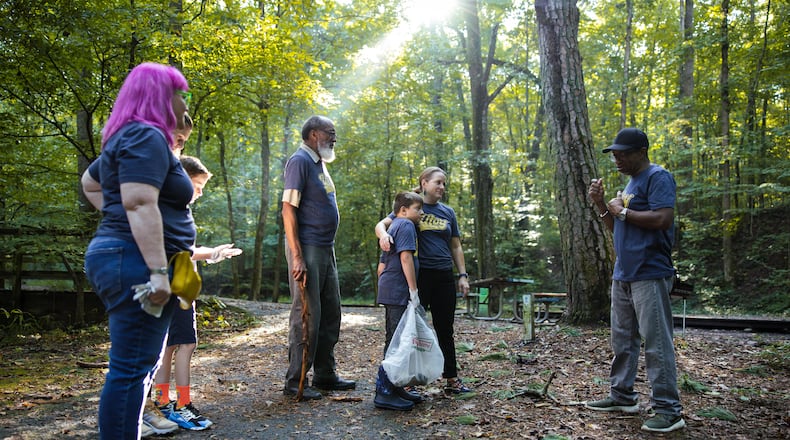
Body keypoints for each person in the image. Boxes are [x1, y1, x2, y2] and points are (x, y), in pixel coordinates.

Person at [81, 62, 193, 439]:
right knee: (131, 370)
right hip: (136, 261)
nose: (183, 101)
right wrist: (159, 272)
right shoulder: (145, 136)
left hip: (124, 254)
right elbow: (139, 203)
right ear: (162, 97)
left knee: (138, 367)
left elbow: (91, 184)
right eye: (179, 93)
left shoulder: (130, 136)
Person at [586, 128, 685, 433]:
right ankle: (622, 395)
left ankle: (669, 411)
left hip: (650, 272)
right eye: (614, 153)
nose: (616, 158)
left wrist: (624, 212)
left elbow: (662, 219)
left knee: (656, 343)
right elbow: (618, 230)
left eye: (622, 153)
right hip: (624, 273)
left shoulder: (658, 177)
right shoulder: (630, 183)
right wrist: (602, 205)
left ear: (641, 151)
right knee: (623, 340)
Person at [153, 154, 242, 431]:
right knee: (184, 345)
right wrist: (210, 253)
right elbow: (180, 250)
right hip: (172, 286)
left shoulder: (173, 209)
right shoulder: (171, 208)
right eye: (198, 185)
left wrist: (210, 254)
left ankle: (164, 401)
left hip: (176, 283)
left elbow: (184, 249)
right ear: (181, 180)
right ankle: (180, 404)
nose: (201, 192)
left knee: (169, 346)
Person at [375, 166, 472, 394]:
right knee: (412, 329)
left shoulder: (448, 212)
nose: (442, 187)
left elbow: (456, 245)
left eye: (444, 183)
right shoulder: (412, 207)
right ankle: (407, 380)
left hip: (444, 275)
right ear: (424, 182)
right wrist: (384, 236)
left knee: (445, 328)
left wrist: (463, 275)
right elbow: (382, 224)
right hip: (421, 276)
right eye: (438, 182)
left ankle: (451, 378)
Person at [281, 115, 355, 400]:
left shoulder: (318, 163)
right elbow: (288, 209)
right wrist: (297, 256)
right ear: (313, 134)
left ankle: (325, 374)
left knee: (330, 312)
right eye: (330, 132)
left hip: (326, 247)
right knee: (307, 316)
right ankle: (295, 382)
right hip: (308, 248)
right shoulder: (299, 161)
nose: (334, 138)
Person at [374, 191, 424, 411]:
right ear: (403, 210)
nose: (421, 213)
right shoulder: (405, 225)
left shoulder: (394, 226)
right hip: (398, 291)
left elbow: (382, 266)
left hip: (392, 289)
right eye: (418, 209)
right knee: (395, 341)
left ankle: (395, 386)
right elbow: (405, 258)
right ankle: (384, 392)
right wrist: (413, 291)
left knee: (396, 339)